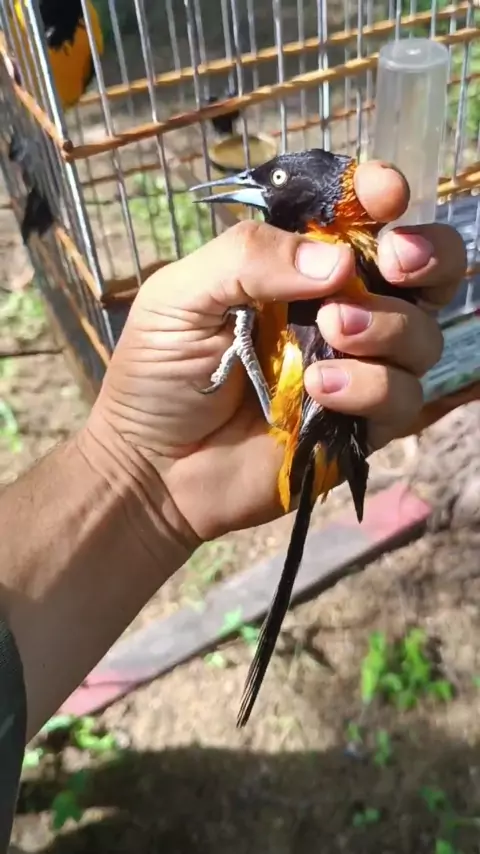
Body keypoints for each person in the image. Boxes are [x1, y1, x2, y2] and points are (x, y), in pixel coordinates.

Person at [0, 161, 466, 851]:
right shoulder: (321, 253)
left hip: (304, 412)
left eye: (267, 180)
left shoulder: (342, 247)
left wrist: (135, 464)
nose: (248, 192)